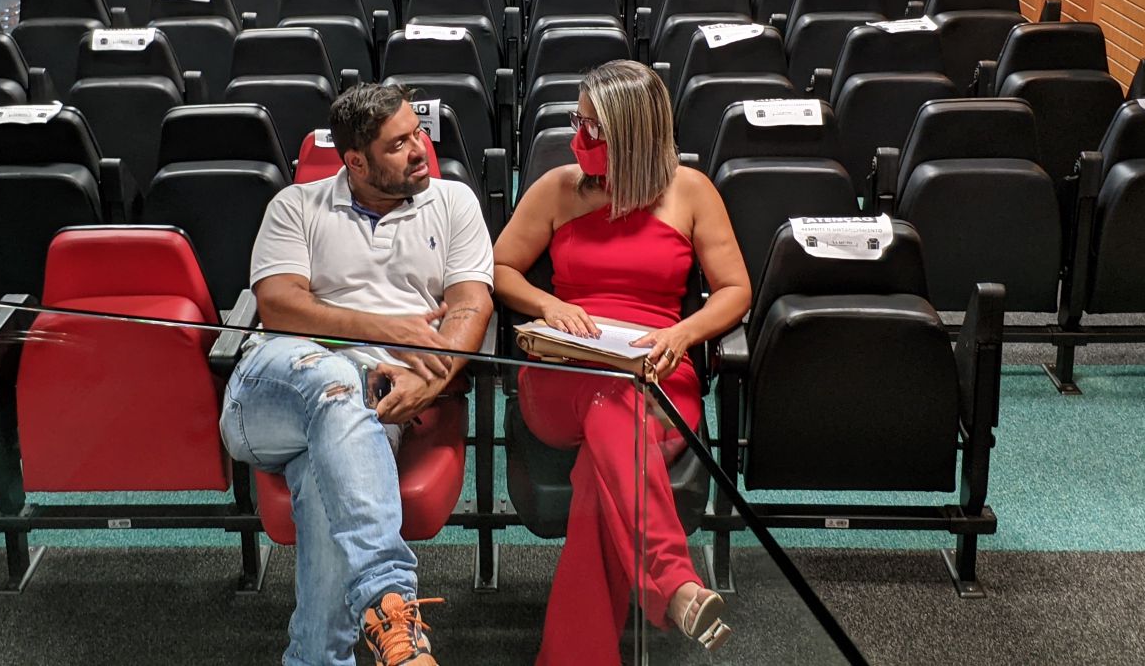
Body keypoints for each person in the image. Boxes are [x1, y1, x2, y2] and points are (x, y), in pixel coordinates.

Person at [220, 83, 495, 666]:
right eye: (398, 144)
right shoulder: (296, 205)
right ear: (356, 162)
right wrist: (387, 329)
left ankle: (320, 656)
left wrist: (435, 379)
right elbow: (280, 306)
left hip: (373, 401)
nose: (420, 150)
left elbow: (472, 304)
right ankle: (388, 595)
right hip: (275, 386)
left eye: (417, 133)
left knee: (327, 471)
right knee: (335, 383)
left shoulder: (454, 203)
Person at [492, 60, 753, 664]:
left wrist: (684, 333)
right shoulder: (557, 188)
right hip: (565, 370)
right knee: (609, 395)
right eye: (577, 122)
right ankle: (673, 581)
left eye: (594, 128)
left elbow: (735, 289)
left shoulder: (692, 192)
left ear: (634, 134)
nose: (578, 138)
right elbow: (499, 268)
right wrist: (549, 304)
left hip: (657, 368)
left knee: (599, 471)